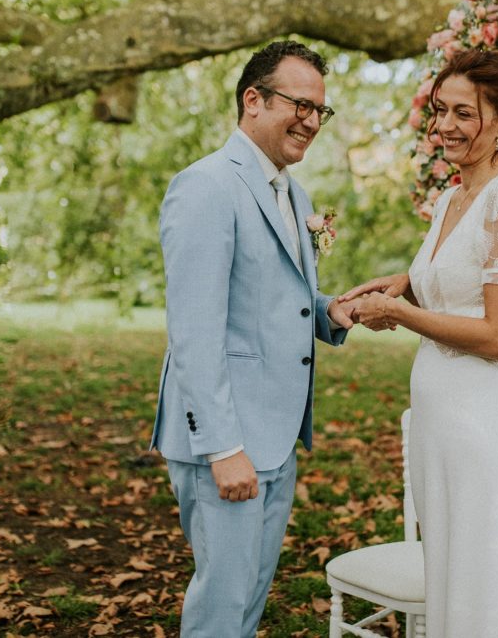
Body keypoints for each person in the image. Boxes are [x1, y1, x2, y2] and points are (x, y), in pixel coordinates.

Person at [340, 49, 498, 637]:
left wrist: (398, 311)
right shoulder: (451, 198)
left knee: (491, 572)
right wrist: (408, 286)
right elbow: (458, 289)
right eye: (440, 110)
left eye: (463, 114)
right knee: (453, 568)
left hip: (485, 423)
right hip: (440, 421)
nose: (445, 125)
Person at [152, 40, 355, 637]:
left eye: (321, 110)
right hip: (227, 441)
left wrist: (333, 313)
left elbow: (275, 299)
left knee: (248, 603)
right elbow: (194, 330)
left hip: (277, 436)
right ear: (253, 100)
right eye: (300, 104)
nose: (312, 121)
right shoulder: (205, 186)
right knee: (221, 608)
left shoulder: (296, 193)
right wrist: (221, 449)